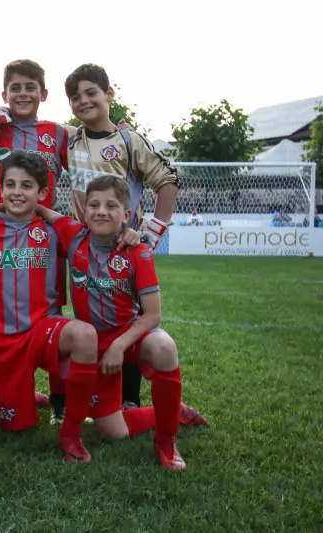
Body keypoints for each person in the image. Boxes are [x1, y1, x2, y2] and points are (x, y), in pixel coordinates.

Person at [0, 152, 139, 463]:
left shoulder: (53, 229)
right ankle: (20, 397)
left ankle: (71, 433)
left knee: (84, 334)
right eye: (9, 185)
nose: (16, 192)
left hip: (43, 329)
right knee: (14, 428)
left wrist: (127, 232)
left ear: (42, 193)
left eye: (26, 186)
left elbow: (98, 236)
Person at [48, 175, 200, 470]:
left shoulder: (137, 252)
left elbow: (153, 315)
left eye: (111, 205)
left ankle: (166, 441)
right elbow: (41, 210)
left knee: (165, 347)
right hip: (90, 345)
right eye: (94, 205)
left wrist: (119, 344)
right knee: (111, 431)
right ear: (83, 210)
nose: (101, 211)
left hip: (126, 337)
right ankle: (169, 411)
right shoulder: (74, 235)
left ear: (126, 215)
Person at [63, 63, 181, 413]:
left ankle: (131, 400)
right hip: (86, 246)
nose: (84, 101)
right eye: (75, 97)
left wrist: (148, 234)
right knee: (93, 319)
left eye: (91, 93)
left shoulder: (128, 140)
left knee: (128, 318)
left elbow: (167, 179)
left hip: (122, 245)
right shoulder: (71, 141)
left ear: (109, 94)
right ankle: (101, 397)